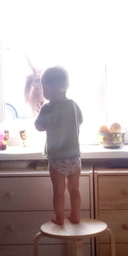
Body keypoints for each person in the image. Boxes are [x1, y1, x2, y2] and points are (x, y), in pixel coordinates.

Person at [34, 65, 83, 225]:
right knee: (74, 189)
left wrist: (40, 112)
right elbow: (80, 121)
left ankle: (60, 218)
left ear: (46, 88)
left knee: (58, 191)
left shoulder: (47, 108)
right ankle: (75, 216)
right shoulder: (74, 105)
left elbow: (39, 126)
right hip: (74, 157)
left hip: (56, 159)